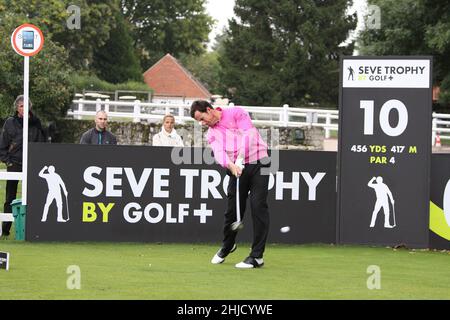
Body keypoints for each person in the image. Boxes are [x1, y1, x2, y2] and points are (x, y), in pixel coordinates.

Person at [190, 100, 271, 269]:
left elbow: (250, 133)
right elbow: (219, 153)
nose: (202, 123)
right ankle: (228, 246)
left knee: (258, 206)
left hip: (259, 162)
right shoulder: (211, 133)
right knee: (233, 212)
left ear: (209, 110)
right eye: (199, 121)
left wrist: (240, 157)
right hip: (236, 168)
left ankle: (257, 257)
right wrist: (231, 165)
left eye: (202, 118)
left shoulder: (235, 112)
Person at [0, 95, 46, 236]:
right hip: (14, 163)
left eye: (26, 105)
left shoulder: (36, 123)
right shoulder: (10, 122)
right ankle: (6, 230)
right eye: (21, 106)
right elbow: (2, 145)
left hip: (31, 165)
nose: (24, 108)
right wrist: (8, 161)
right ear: (17, 108)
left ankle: (32, 229)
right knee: (10, 197)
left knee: (33, 196)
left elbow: (41, 144)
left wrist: (37, 162)